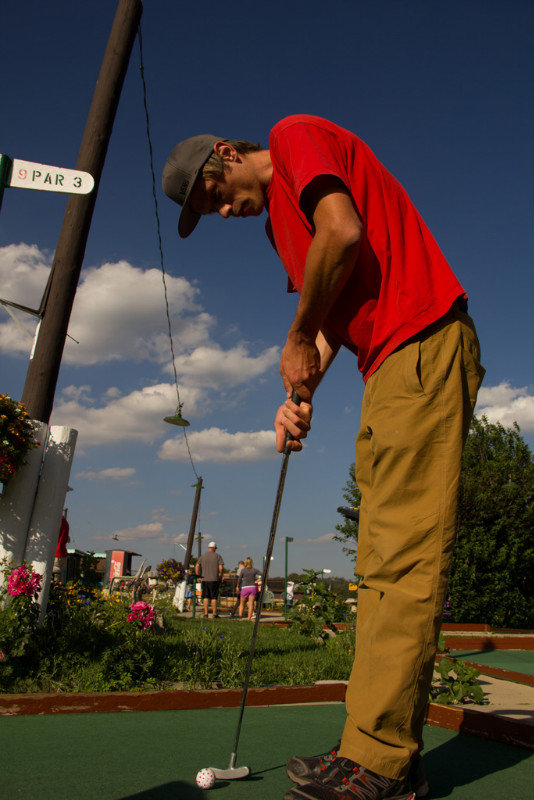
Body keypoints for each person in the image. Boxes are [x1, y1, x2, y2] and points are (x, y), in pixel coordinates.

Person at [163, 115, 485, 800]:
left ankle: (384, 764)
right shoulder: (283, 229)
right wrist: (300, 390)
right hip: (387, 363)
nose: (222, 209)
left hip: (422, 337)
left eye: (214, 192)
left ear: (226, 153)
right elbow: (330, 317)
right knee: (378, 562)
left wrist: (298, 331)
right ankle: (369, 745)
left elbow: (342, 231)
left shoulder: (292, 136)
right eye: (209, 210)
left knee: (404, 558)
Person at [195, 541, 224, 618]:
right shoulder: (218, 556)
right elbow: (221, 568)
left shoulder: (203, 556)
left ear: (209, 548)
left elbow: (197, 566)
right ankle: (214, 614)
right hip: (214, 579)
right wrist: (220, 575)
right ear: (214, 548)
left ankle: (205, 614)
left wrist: (198, 576)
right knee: (214, 597)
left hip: (204, 579)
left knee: (205, 596)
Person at [52, 509, 70, 582]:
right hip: (61, 553)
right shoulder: (63, 520)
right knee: (59, 578)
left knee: (54, 578)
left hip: (56, 554)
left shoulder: (58, 519)